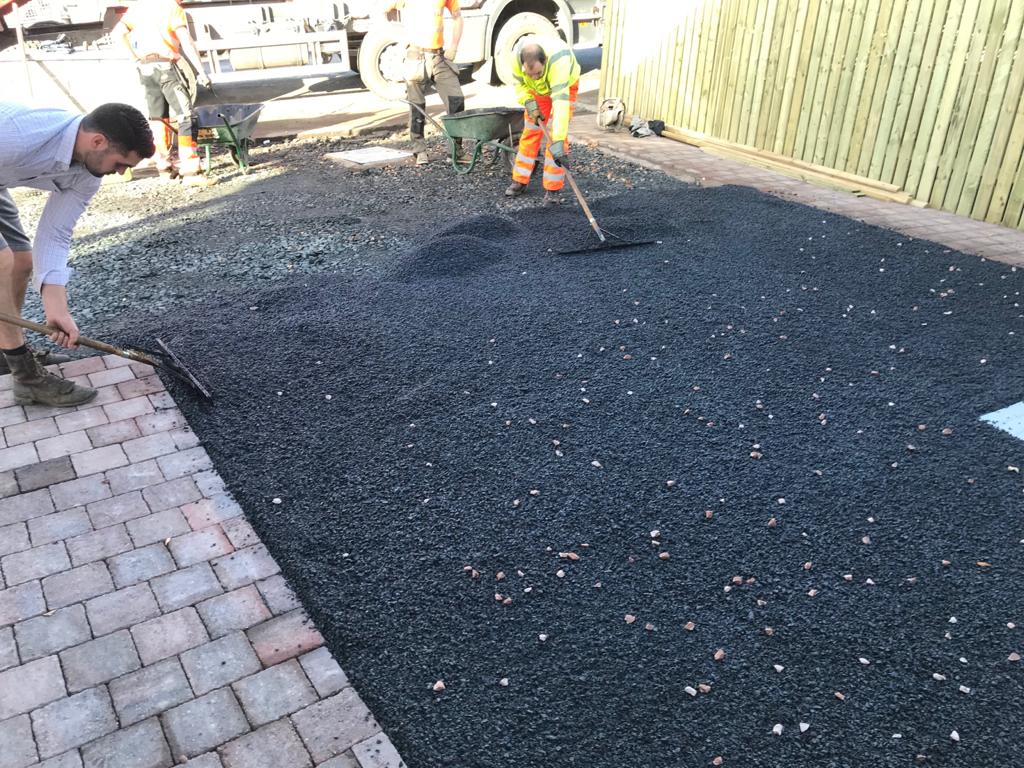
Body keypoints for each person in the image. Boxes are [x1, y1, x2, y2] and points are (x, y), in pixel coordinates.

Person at [0, 102, 154, 406]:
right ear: (97, 141)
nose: (121, 172)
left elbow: (55, 235)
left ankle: (3, 351)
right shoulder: (15, 134)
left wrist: (57, 308)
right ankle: (26, 376)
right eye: (121, 163)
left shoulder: (87, 174)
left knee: (21, 260)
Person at [113, 0, 211, 182]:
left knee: (158, 118)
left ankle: (164, 166)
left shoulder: (137, 8)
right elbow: (186, 41)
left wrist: (134, 59)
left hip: (146, 69)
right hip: (166, 67)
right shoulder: (172, 8)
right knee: (186, 116)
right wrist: (201, 71)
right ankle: (191, 171)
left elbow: (117, 33)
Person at [384, 0, 466, 165]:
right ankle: (419, 150)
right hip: (415, 56)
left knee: (456, 100)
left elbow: (458, 18)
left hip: (438, 56)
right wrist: (401, 39)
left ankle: (455, 150)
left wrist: (454, 47)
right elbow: (384, 10)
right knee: (417, 106)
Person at [505, 36, 581, 206]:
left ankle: (552, 189)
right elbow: (519, 86)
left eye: (538, 73)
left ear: (545, 61)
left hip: (564, 85)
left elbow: (560, 105)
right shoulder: (515, 61)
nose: (535, 77)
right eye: (530, 74)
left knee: (556, 138)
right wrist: (528, 101)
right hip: (535, 93)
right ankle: (520, 180)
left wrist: (559, 141)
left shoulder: (558, 62)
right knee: (531, 131)